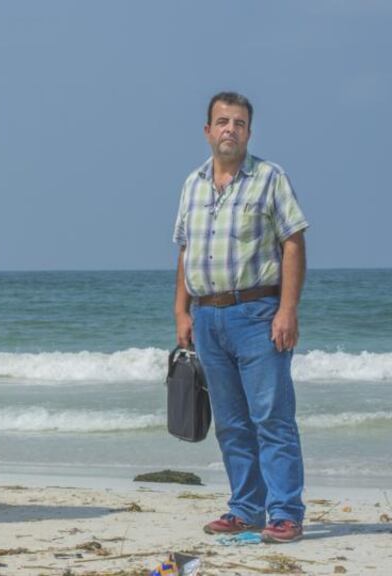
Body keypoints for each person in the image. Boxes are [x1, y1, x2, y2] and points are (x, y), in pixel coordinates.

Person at [172, 92, 309, 544]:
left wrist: (287, 309)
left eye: (239, 123)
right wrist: (181, 310)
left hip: (257, 313)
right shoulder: (192, 184)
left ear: (249, 132)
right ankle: (246, 508)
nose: (230, 129)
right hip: (207, 317)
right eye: (223, 121)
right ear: (207, 130)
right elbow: (185, 251)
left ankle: (285, 513)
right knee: (231, 423)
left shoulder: (270, 178)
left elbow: (293, 242)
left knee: (272, 418)